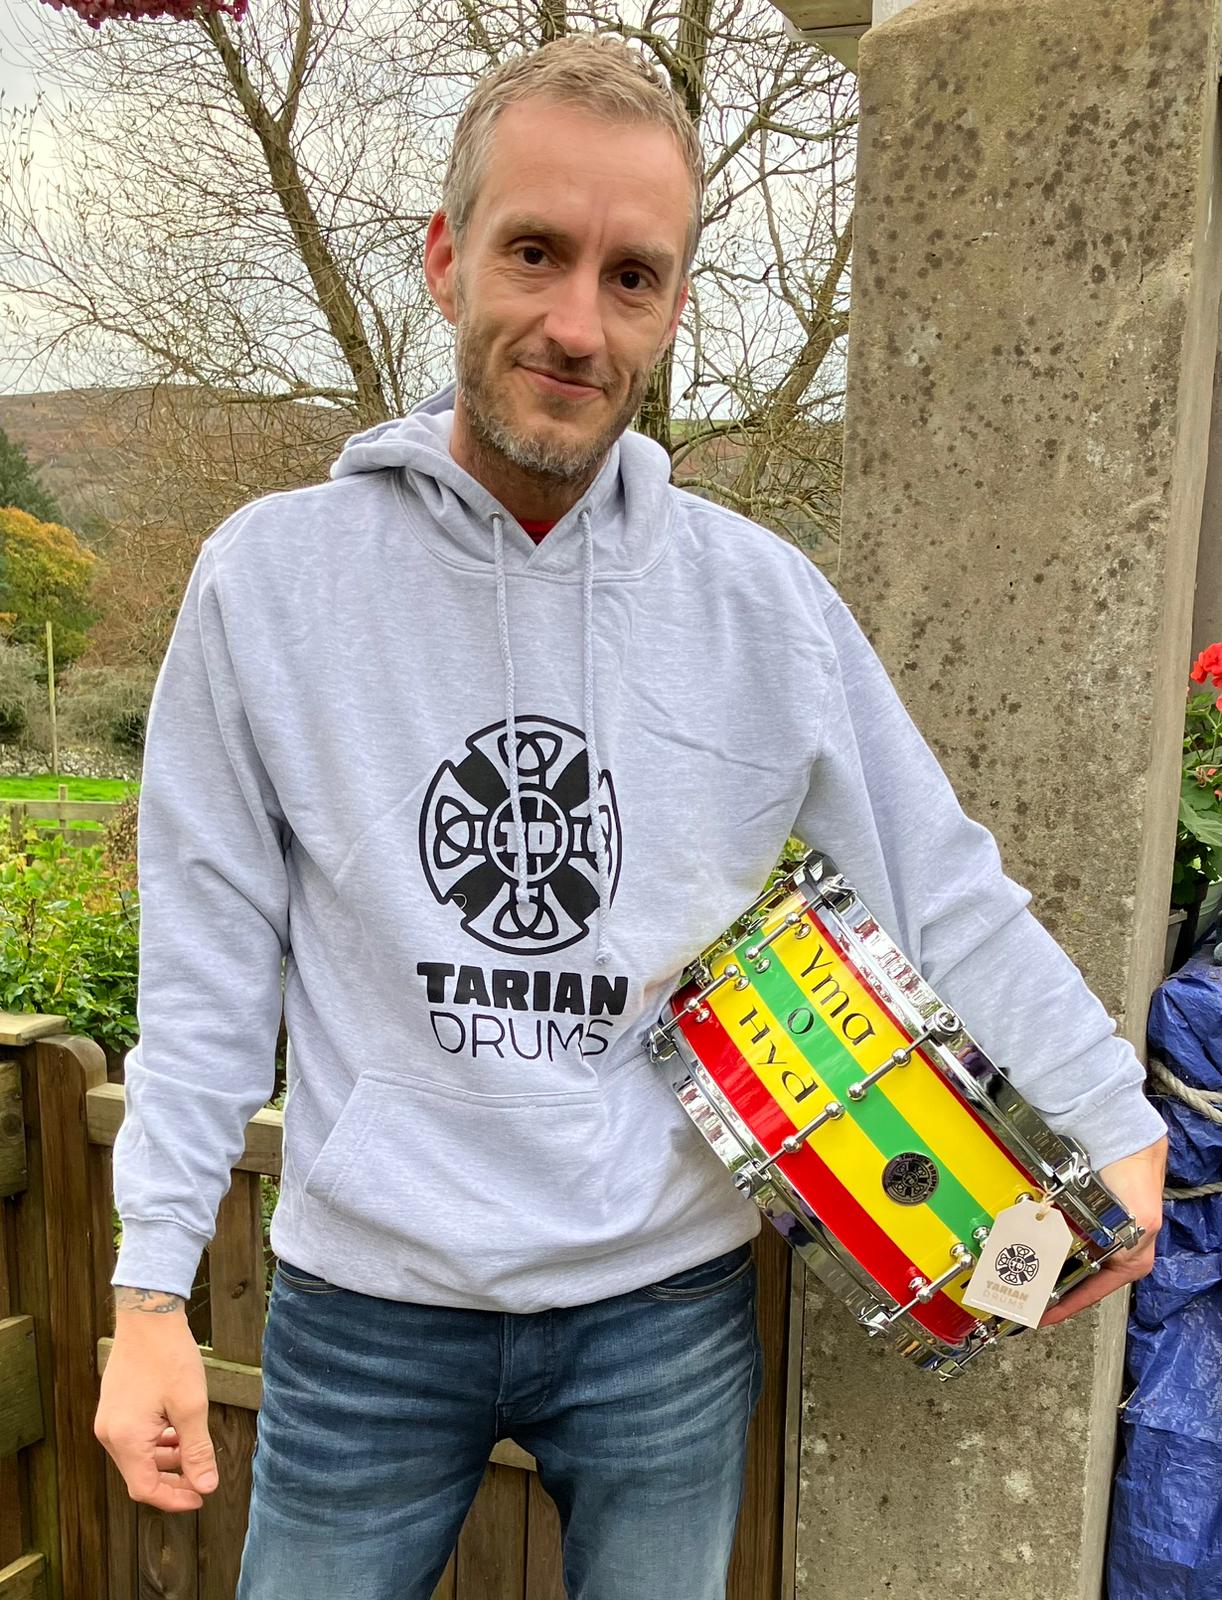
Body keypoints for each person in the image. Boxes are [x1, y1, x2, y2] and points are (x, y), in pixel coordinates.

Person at [93, 31, 1169, 1600]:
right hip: (364, 1308)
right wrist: (146, 1294)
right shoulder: (268, 582)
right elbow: (205, 970)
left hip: (658, 1311)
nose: (576, 323)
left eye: (632, 275)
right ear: (446, 255)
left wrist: (1113, 1123)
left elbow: (934, 884)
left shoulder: (760, 604)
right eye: (534, 251)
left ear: (672, 306)